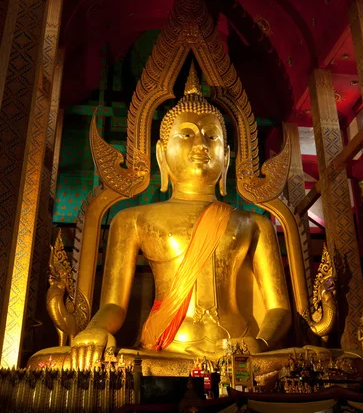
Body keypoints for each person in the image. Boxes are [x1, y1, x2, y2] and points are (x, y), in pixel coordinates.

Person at [69, 65, 291, 369]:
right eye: (186, 134)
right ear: (161, 153)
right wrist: (96, 330)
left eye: (211, 136)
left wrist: (261, 342)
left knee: (320, 360)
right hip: (167, 349)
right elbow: (112, 304)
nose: (200, 144)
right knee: (57, 362)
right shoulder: (132, 219)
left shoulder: (254, 223)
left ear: (226, 156)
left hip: (240, 352)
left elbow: (279, 309)